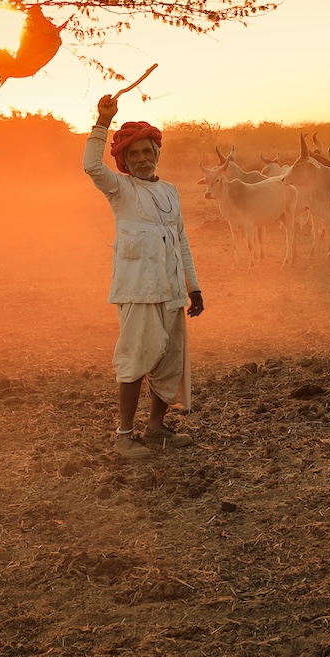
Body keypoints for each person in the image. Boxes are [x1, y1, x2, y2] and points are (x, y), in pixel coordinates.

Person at [84, 94, 204, 459]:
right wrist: (103, 123)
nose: (140, 159)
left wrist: (193, 286)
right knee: (136, 358)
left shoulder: (169, 191)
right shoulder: (120, 190)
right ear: (123, 160)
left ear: (156, 154)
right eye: (132, 154)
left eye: (146, 152)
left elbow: (181, 240)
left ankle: (155, 430)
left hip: (170, 292)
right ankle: (124, 436)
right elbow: (91, 165)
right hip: (137, 292)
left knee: (168, 360)